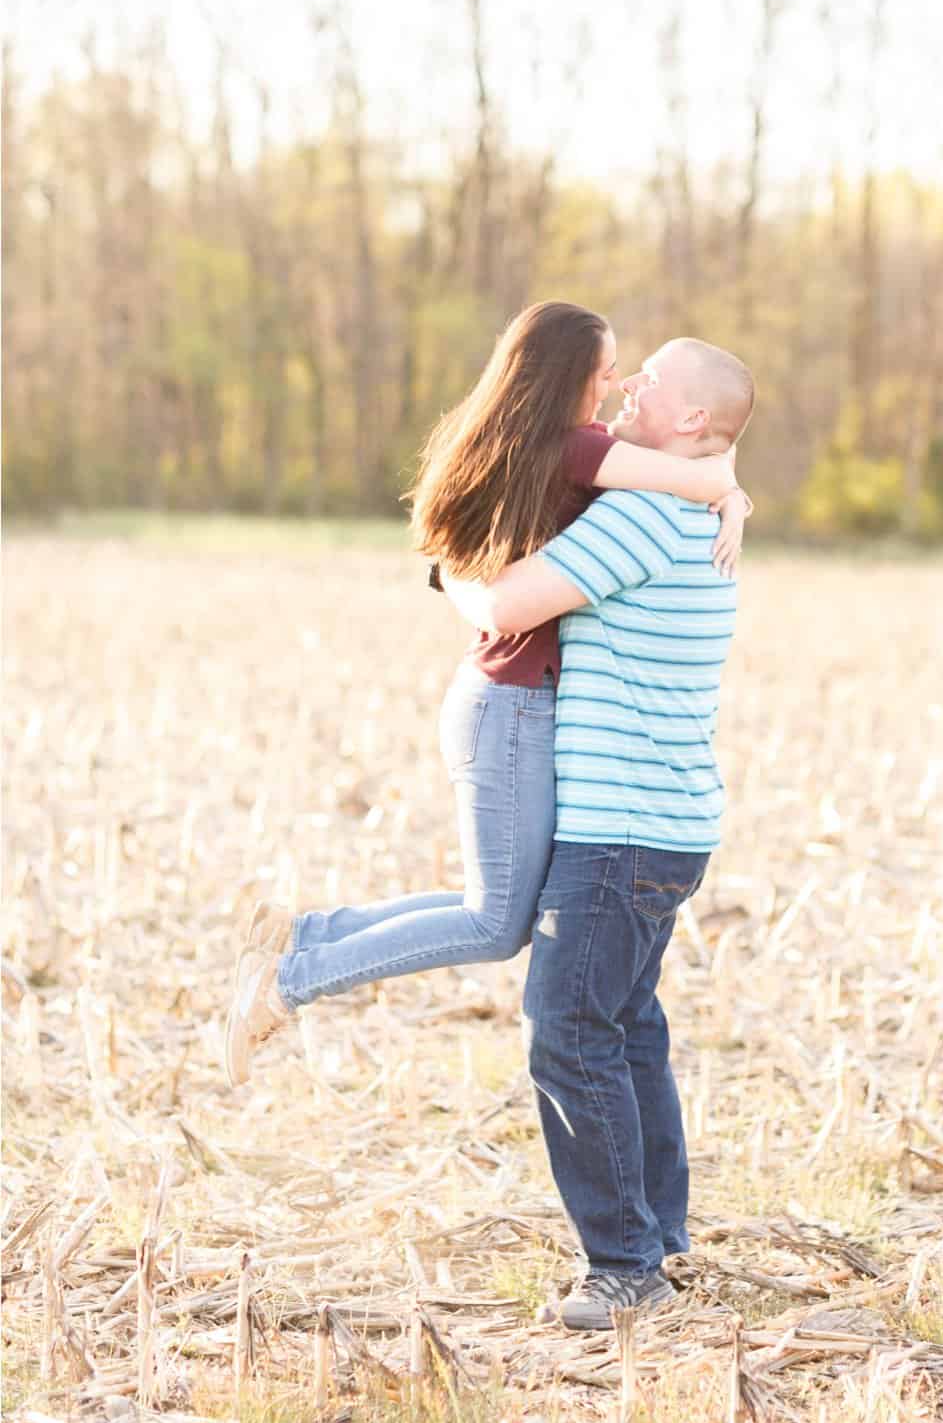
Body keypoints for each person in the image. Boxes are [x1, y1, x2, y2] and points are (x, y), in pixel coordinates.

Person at [223, 304, 751, 1087]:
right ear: (565, 377)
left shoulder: (528, 443)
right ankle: (288, 980)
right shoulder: (569, 447)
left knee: (500, 909)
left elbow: (701, 471)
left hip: (504, 697)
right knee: (496, 921)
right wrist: (727, 492)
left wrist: (729, 492)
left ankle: (302, 934)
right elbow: (695, 474)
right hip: (510, 703)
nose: (618, 386)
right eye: (607, 372)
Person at [440, 336, 754, 1329]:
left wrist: (440, 571)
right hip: (665, 823)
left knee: (571, 1031)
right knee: (626, 1025)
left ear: (694, 422)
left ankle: (625, 1268)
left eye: (649, 379)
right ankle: (658, 1232)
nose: (624, 386)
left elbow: (503, 605)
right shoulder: (693, 503)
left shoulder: (649, 514)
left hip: (619, 829)